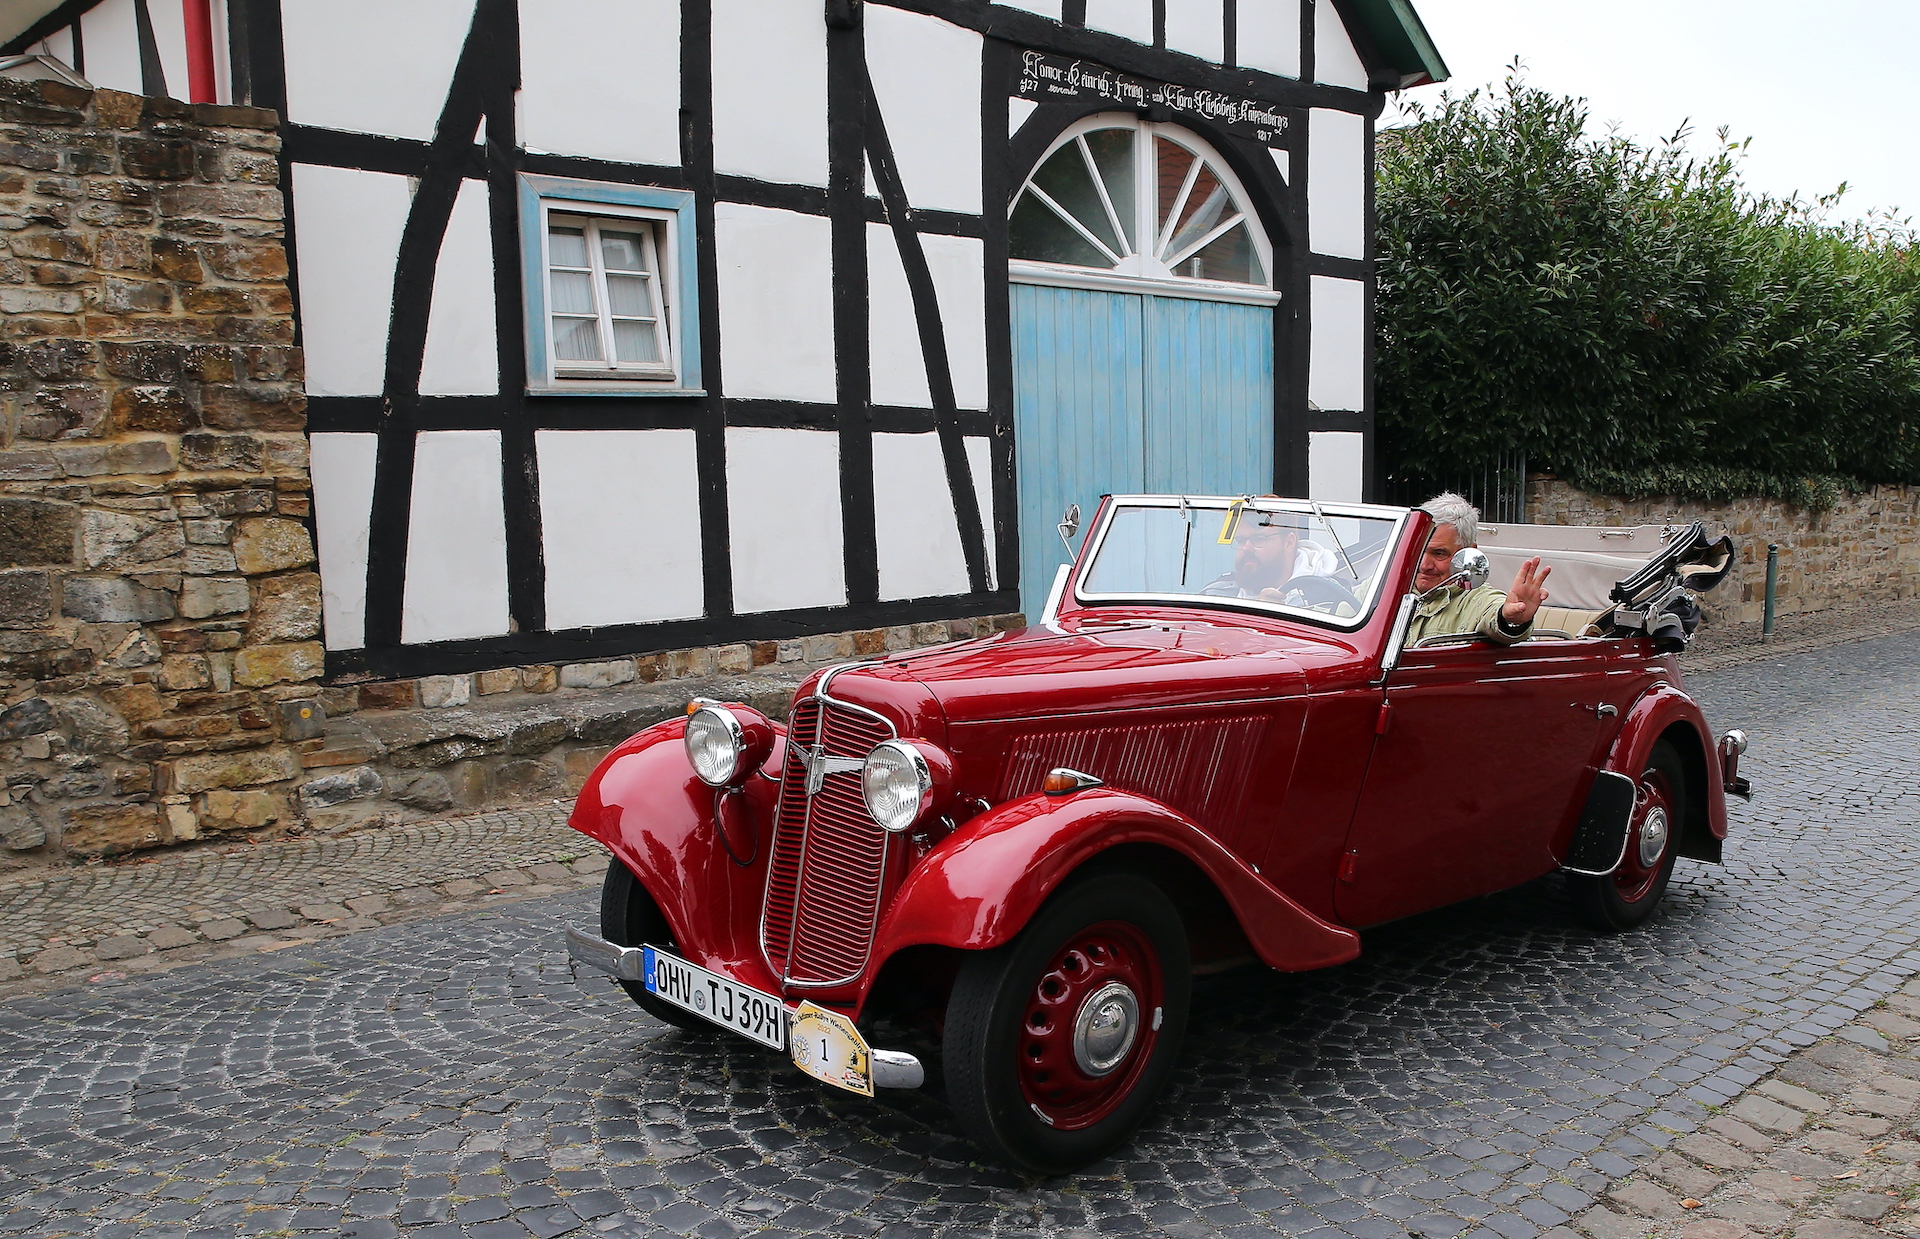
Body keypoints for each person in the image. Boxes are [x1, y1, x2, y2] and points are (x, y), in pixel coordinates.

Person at [1406, 492, 1551, 645]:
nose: (1424, 565)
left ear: (1468, 552)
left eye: (1439, 553)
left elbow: (1494, 613)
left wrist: (1511, 619)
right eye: (1418, 550)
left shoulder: (1478, 600)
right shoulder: (1394, 591)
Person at [1201, 508, 1339, 605]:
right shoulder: (1218, 592)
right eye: (1241, 541)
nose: (1246, 548)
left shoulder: (1328, 597)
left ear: (1289, 543)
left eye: (1259, 539)